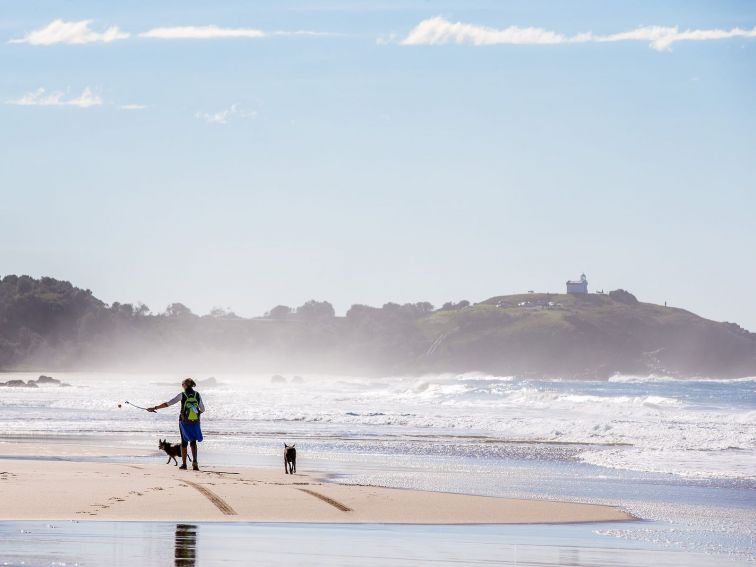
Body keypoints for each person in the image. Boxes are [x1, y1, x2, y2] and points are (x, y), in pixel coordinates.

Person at [148, 378, 205, 470]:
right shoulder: (197, 395)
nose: (182, 386)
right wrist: (195, 414)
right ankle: (195, 462)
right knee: (193, 441)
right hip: (195, 421)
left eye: (182, 384)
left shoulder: (182, 395)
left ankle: (184, 464)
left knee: (184, 441)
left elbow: (168, 403)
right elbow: (202, 409)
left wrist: (155, 407)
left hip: (184, 421)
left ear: (185, 385)